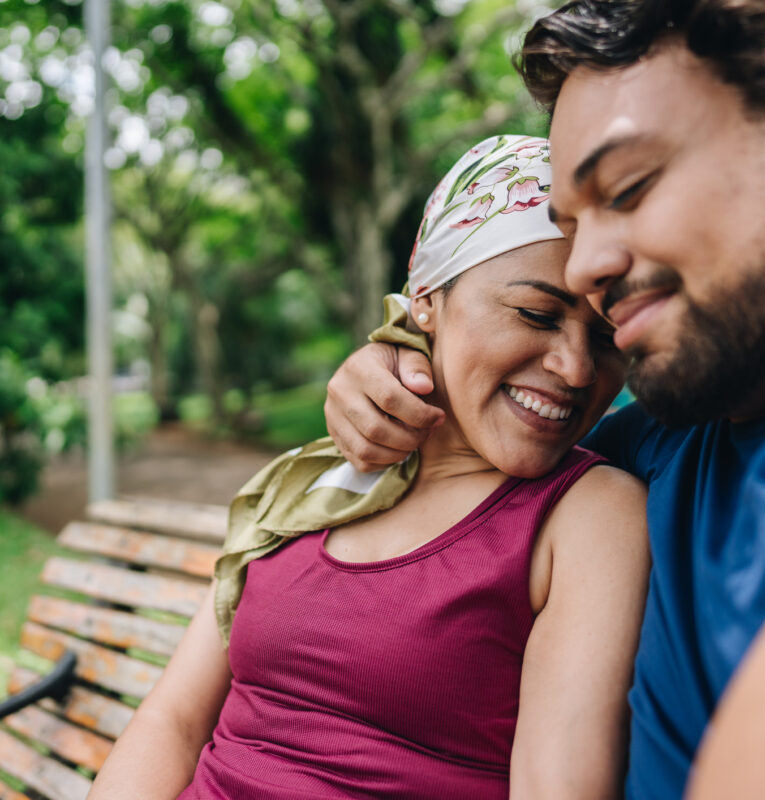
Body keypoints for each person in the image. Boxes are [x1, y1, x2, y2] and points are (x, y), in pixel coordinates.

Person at [323, 2, 765, 798]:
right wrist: (393, 368)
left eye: (630, 186)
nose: (585, 269)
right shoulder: (662, 440)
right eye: (571, 226)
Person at [88, 136, 649, 800]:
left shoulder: (587, 513)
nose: (578, 368)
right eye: (535, 314)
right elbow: (173, 721)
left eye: (607, 333)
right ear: (426, 300)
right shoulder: (317, 477)